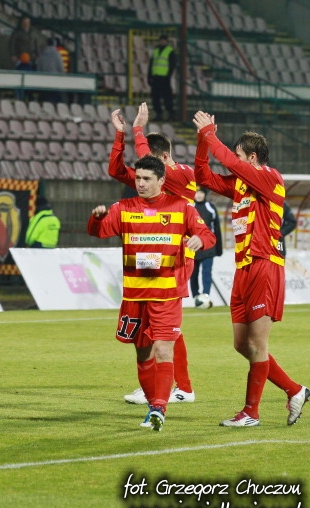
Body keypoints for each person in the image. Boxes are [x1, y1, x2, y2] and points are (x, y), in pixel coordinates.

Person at [193, 110, 310, 427]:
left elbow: (230, 164)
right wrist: (202, 140)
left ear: (253, 158)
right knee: (241, 344)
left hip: (265, 264)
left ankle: (251, 412)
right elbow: (203, 176)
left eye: (240, 156)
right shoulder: (241, 186)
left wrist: (211, 134)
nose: (234, 161)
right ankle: (294, 390)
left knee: (257, 344)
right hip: (244, 268)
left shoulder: (270, 178)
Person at [87, 155, 216, 431]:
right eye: (138, 178)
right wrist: (96, 219)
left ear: (161, 180)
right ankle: (151, 406)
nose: (141, 183)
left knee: (163, 349)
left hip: (166, 295)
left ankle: (159, 408)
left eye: (147, 179)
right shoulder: (123, 208)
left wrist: (199, 238)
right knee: (143, 354)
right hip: (134, 296)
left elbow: (209, 236)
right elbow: (99, 232)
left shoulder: (182, 207)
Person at [108, 103, 198, 405]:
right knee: (160, 324)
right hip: (153, 254)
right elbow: (115, 170)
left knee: (164, 325)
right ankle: (168, 383)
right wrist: (119, 136)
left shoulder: (181, 174)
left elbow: (144, 153)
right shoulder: (153, 181)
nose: (142, 178)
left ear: (162, 160)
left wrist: (137, 129)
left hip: (176, 256)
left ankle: (178, 386)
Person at [190, 187, 223, 304]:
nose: (198, 195)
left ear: (205, 194)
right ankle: (195, 296)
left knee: (207, 272)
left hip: (209, 247)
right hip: (193, 247)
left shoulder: (211, 207)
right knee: (193, 273)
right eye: (196, 192)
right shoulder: (190, 207)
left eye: (201, 192)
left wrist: (219, 248)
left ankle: (206, 296)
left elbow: (217, 228)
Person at [148, 34, 176, 121]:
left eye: (164, 40)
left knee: (167, 97)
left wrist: (168, 76)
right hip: (156, 77)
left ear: (166, 41)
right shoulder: (156, 51)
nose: (162, 42)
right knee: (155, 97)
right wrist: (149, 76)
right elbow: (151, 64)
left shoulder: (170, 51)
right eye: (161, 40)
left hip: (164, 78)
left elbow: (172, 65)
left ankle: (170, 114)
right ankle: (158, 114)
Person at [37, 37, 64, 103]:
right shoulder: (57, 54)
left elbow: (39, 68)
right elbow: (61, 68)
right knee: (55, 100)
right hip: (55, 81)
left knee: (45, 100)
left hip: (43, 82)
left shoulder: (42, 54)